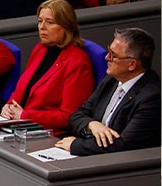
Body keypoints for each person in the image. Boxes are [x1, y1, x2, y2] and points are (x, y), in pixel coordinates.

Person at [57, 27, 160, 155]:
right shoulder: (111, 80)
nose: (106, 57)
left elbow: (123, 145)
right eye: (109, 51)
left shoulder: (152, 97)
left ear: (132, 64)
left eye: (113, 55)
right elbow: (76, 115)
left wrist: (75, 145)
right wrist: (92, 124)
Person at [0, 0, 94, 132]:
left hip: (48, 132)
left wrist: (25, 115)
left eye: (49, 22)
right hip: (20, 125)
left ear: (66, 26)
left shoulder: (77, 62)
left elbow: (69, 116)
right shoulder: (40, 49)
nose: (42, 27)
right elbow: (23, 89)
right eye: (40, 21)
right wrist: (8, 106)